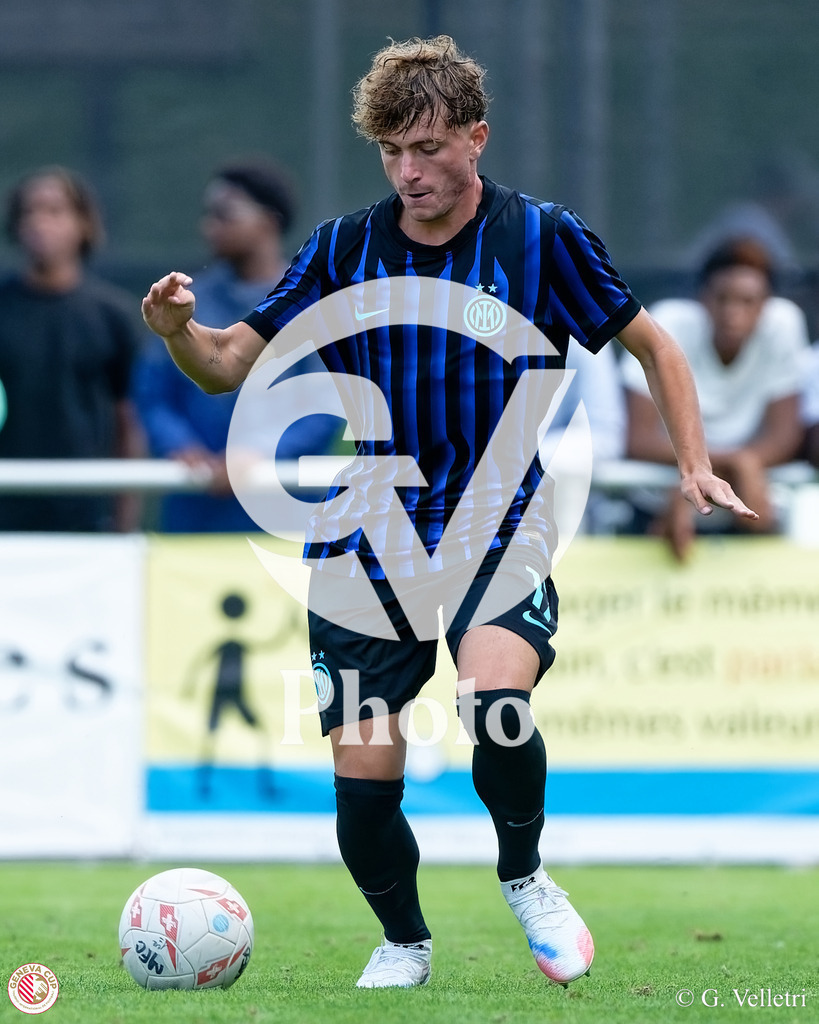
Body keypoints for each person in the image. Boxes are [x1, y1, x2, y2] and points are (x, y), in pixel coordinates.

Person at [142, 36, 757, 990]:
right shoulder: (343, 248)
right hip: (366, 537)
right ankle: (404, 941)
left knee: (493, 704)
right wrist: (180, 332)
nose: (409, 171)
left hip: (495, 520)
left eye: (427, 147)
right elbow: (226, 364)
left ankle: (525, 876)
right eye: (392, 151)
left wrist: (693, 464)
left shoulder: (541, 239)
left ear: (476, 137)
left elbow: (655, 348)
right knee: (364, 783)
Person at [133, 159, 341, 531]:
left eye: (224, 214)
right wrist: (181, 446)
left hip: (284, 518)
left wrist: (261, 454)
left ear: (268, 221)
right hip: (193, 512)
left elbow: (326, 404)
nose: (209, 226)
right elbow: (153, 396)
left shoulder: (313, 306)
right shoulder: (183, 302)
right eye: (208, 214)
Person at [620, 237, 809, 560]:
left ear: (766, 304)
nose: (733, 313)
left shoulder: (784, 324)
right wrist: (735, 464)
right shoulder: (667, 322)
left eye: (748, 301)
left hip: (743, 502)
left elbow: (786, 435)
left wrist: (710, 472)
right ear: (702, 299)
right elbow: (639, 440)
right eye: (722, 298)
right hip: (659, 503)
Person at [0, 166, 143, 532]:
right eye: (29, 211)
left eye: (54, 210)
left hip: (86, 518)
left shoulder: (113, 315)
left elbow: (128, 423)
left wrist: (124, 523)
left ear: (84, 224)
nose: (39, 222)